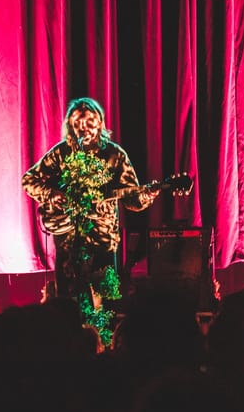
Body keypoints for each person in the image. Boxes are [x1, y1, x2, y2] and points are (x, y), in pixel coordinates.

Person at [22, 97, 159, 302]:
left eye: (89, 123)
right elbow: (29, 180)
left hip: (102, 240)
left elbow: (132, 199)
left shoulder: (114, 155)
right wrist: (51, 194)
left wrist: (146, 196)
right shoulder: (62, 153)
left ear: (100, 124)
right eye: (77, 124)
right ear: (69, 126)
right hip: (68, 239)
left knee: (105, 302)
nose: (83, 129)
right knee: (67, 302)